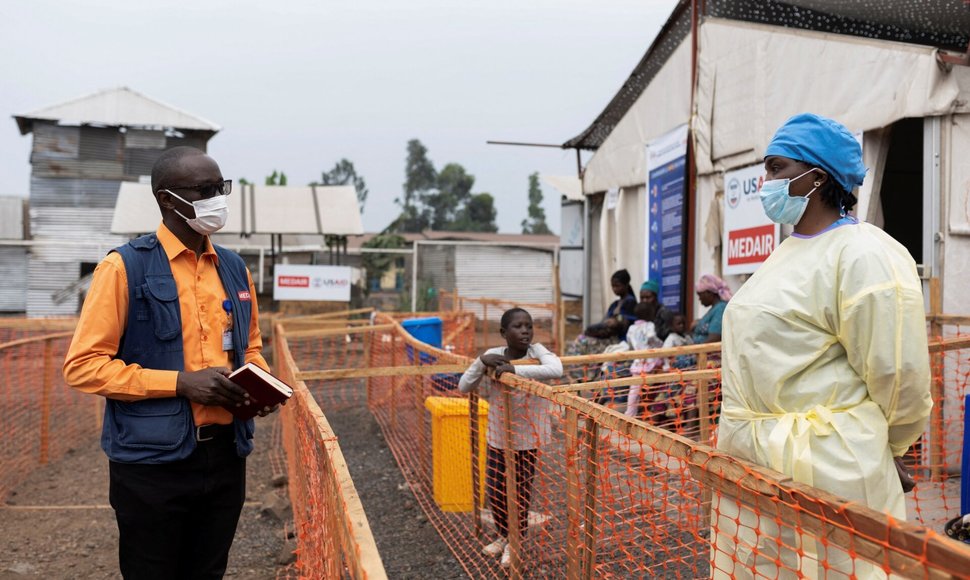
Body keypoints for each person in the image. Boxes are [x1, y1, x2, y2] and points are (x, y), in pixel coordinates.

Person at [711, 113, 933, 579]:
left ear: (815, 176)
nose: (764, 182)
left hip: (830, 467)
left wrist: (888, 449)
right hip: (758, 464)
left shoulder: (863, 255)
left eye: (775, 168)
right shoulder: (787, 253)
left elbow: (899, 376)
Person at [63, 147, 280, 579]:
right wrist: (181, 383)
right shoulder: (124, 268)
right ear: (167, 199)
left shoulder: (235, 269)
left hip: (225, 457)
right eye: (205, 190)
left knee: (208, 572)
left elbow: (250, 347)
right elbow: (84, 365)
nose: (218, 198)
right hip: (150, 464)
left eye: (221, 187)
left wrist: (261, 385)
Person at [458, 307, 563, 569]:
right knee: (495, 491)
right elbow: (463, 386)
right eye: (518, 326)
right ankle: (505, 535)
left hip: (527, 439)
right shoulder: (492, 356)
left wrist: (514, 370)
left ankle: (515, 542)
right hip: (498, 436)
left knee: (520, 493)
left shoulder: (537, 353)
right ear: (504, 333)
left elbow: (556, 368)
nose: (525, 330)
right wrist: (481, 361)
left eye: (528, 325)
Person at [565, 269, 637, 377]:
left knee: (581, 342)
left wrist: (612, 323)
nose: (614, 289)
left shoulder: (630, 302)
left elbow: (618, 325)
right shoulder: (615, 304)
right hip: (609, 338)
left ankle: (582, 376)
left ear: (626, 285)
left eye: (617, 286)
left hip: (619, 341)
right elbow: (605, 323)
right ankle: (580, 376)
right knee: (581, 340)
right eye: (613, 286)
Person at [691, 274, 731, 344]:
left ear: (709, 293)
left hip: (705, 353)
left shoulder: (720, 308)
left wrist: (694, 351)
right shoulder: (715, 309)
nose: (699, 299)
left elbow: (714, 338)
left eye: (700, 295)